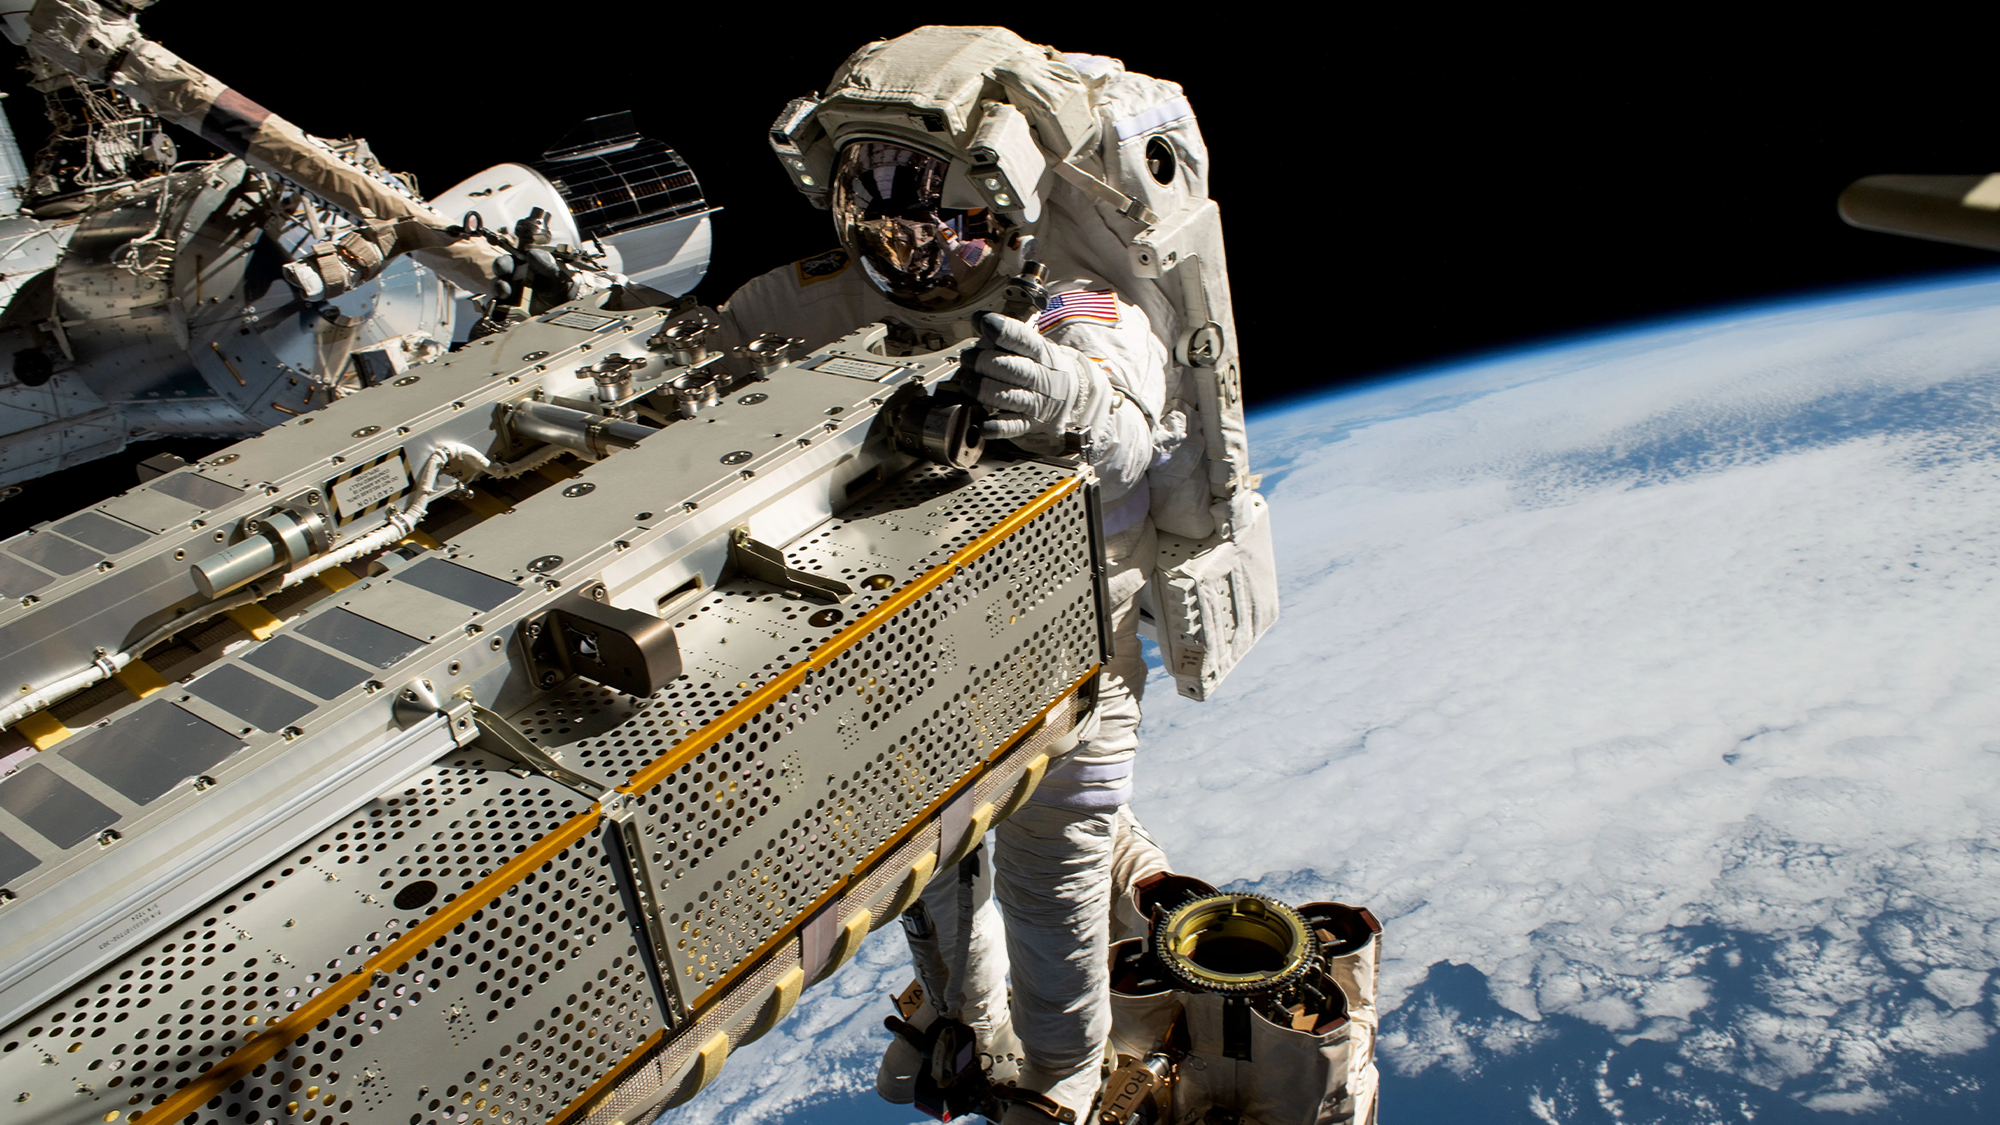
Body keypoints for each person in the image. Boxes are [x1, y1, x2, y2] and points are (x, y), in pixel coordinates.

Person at [711, 27, 1185, 1123]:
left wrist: (1071, 400)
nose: (909, 237)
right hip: (906, 672)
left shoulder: (1073, 306)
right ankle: (965, 1026)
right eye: (876, 198)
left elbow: (1128, 430)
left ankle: (1058, 1080)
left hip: (1069, 671)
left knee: (1050, 898)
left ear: (1005, 203)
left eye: (938, 209)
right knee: (925, 884)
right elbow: (707, 349)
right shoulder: (821, 296)